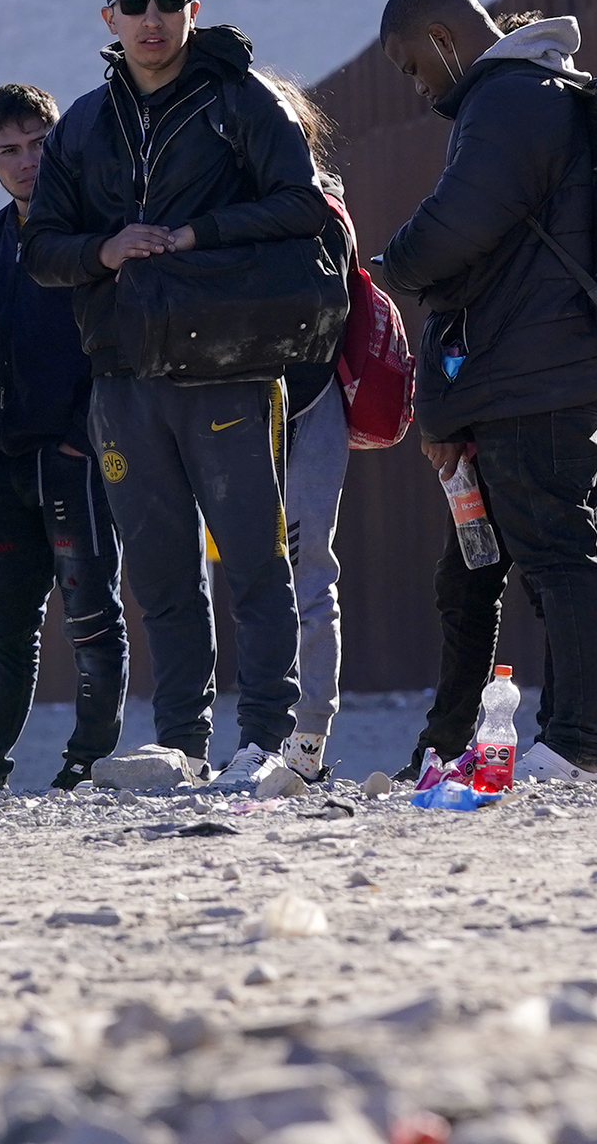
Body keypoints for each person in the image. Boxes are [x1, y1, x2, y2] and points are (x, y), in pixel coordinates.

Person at [24, 0, 323, 785]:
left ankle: (268, 744)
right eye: (135, 4)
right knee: (159, 573)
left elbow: (304, 206)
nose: (152, 18)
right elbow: (43, 247)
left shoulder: (243, 103)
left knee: (255, 563)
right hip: (122, 377)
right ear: (108, 18)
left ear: (193, 9)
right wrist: (106, 248)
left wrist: (197, 234)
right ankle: (183, 744)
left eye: (168, 1)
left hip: (230, 369)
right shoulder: (83, 122)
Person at [375, 0, 597, 785]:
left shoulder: (511, 98)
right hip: (513, 373)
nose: (418, 88)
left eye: (414, 66)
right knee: (473, 570)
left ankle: (575, 743)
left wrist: (392, 263)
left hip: (537, 376)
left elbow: (458, 223)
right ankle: (449, 739)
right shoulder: (526, 96)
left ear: (445, 37)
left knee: (561, 556)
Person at [0, 81, 129, 792]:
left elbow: (118, 340)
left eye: (39, 144)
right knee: (2, 619)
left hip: (76, 456)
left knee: (90, 608)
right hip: (3, 463)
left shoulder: (94, 227)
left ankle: (89, 759)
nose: (27, 161)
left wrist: (81, 439)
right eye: (10, 151)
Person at [270, 70, 356, 786]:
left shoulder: (324, 206)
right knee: (240, 578)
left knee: (307, 572)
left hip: (309, 402)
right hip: (234, 410)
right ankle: (247, 736)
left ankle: (307, 742)